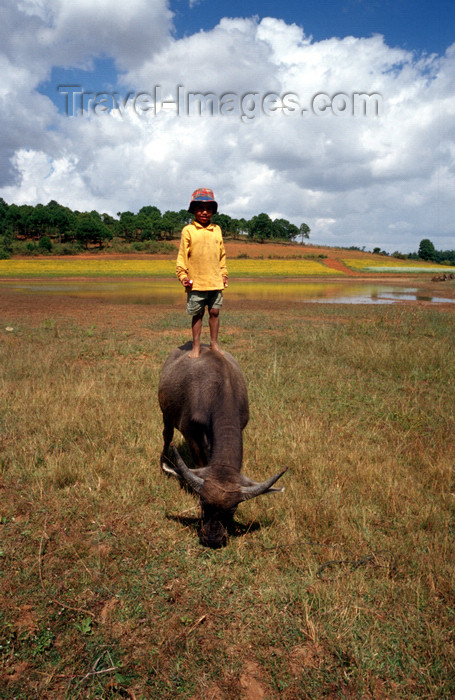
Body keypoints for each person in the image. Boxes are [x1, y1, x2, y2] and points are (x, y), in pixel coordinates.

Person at [176, 188, 228, 359]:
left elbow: (221, 255)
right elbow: (182, 255)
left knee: (214, 312)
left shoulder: (217, 229)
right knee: (197, 314)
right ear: (193, 210)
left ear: (213, 211)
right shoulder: (188, 230)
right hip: (196, 282)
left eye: (208, 209)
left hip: (215, 280)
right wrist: (183, 276)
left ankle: (214, 343)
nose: (204, 212)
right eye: (200, 208)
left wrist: (224, 273)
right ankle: (196, 345)